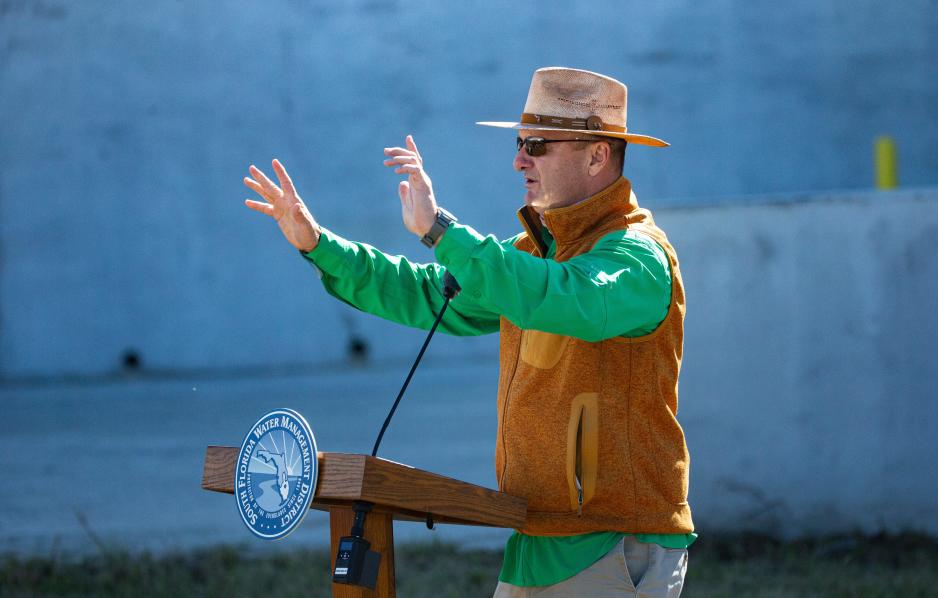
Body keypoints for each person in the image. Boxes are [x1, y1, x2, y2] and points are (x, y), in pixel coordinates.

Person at [244, 66, 695, 597]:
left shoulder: (636, 255)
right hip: (535, 539)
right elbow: (430, 293)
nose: (518, 159)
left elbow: (568, 297)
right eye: (520, 143)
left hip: (616, 543)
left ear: (597, 155)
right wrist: (318, 243)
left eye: (538, 145)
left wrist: (441, 231)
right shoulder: (532, 255)